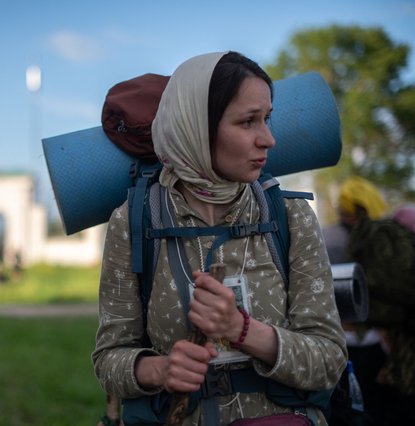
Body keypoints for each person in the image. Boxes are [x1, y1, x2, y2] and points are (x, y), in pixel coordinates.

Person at [92, 51, 347, 425]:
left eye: (267, 119)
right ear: (197, 128)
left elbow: (329, 362)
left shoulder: (289, 217)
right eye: (248, 122)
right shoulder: (135, 223)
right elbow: (108, 359)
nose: (268, 139)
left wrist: (242, 330)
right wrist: (159, 371)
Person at [330, 176, 415, 424]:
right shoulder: (391, 231)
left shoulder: (339, 237)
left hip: (356, 335)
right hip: (389, 336)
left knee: (364, 406)